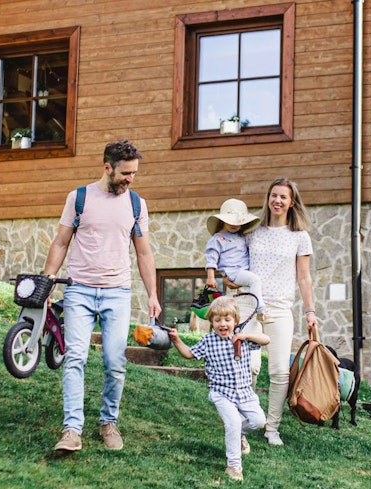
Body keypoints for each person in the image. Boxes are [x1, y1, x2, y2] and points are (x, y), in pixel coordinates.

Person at [42, 139, 161, 452]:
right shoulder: (79, 198)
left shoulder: (137, 204)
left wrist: (153, 294)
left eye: (134, 173)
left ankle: (108, 422)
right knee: (75, 358)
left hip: (118, 293)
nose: (130, 179)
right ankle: (72, 430)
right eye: (125, 173)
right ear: (107, 168)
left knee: (114, 361)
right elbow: (60, 243)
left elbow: (144, 253)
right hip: (80, 289)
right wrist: (47, 282)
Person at [228, 177, 318, 447]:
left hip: (280, 308)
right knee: (250, 366)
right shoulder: (252, 231)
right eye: (274, 195)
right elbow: (233, 267)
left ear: (292, 203)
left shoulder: (300, 237)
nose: (277, 200)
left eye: (283, 197)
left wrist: (310, 311)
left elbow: (304, 278)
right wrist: (228, 279)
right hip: (248, 306)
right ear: (268, 198)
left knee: (279, 372)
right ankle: (246, 422)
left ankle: (272, 427)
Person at [169, 296, 269, 482]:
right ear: (211, 322)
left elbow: (266, 339)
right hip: (222, 393)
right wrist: (176, 341)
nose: (222, 324)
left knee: (259, 421)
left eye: (227, 319)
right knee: (233, 423)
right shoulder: (208, 341)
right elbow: (189, 354)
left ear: (235, 321)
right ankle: (233, 466)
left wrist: (246, 336)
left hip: (245, 392)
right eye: (217, 320)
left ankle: (238, 436)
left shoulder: (243, 339)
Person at [204, 198, 265, 317]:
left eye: (237, 223)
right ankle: (260, 309)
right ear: (223, 220)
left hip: (243, 271)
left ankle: (256, 305)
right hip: (234, 271)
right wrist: (211, 278)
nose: (234, 225)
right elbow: (211, 260)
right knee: (255, 280)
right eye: (230, 221)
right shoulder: (218, 239)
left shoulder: (242, 237)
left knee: (253, 281)